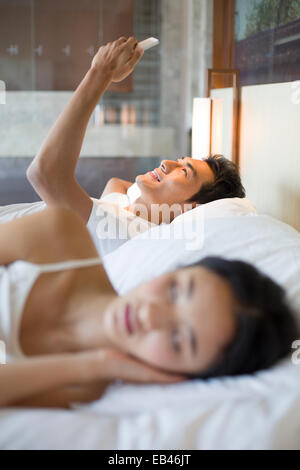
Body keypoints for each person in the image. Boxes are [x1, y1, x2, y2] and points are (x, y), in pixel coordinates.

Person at [0, 206, 296, 408]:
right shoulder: (58, 234)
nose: (150, 315)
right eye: (175, 291)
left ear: (181, 374)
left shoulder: (84, 384)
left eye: (179, 340)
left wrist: (97, 365)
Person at [0, 37, 245, 241]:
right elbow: (117, 183)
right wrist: (141, 199)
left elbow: (44, 174)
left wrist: (100, 73)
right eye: (179, 160)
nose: (167, 163)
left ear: (190, 209)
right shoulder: (126, 211)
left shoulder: (127, 233)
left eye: (184, 171)